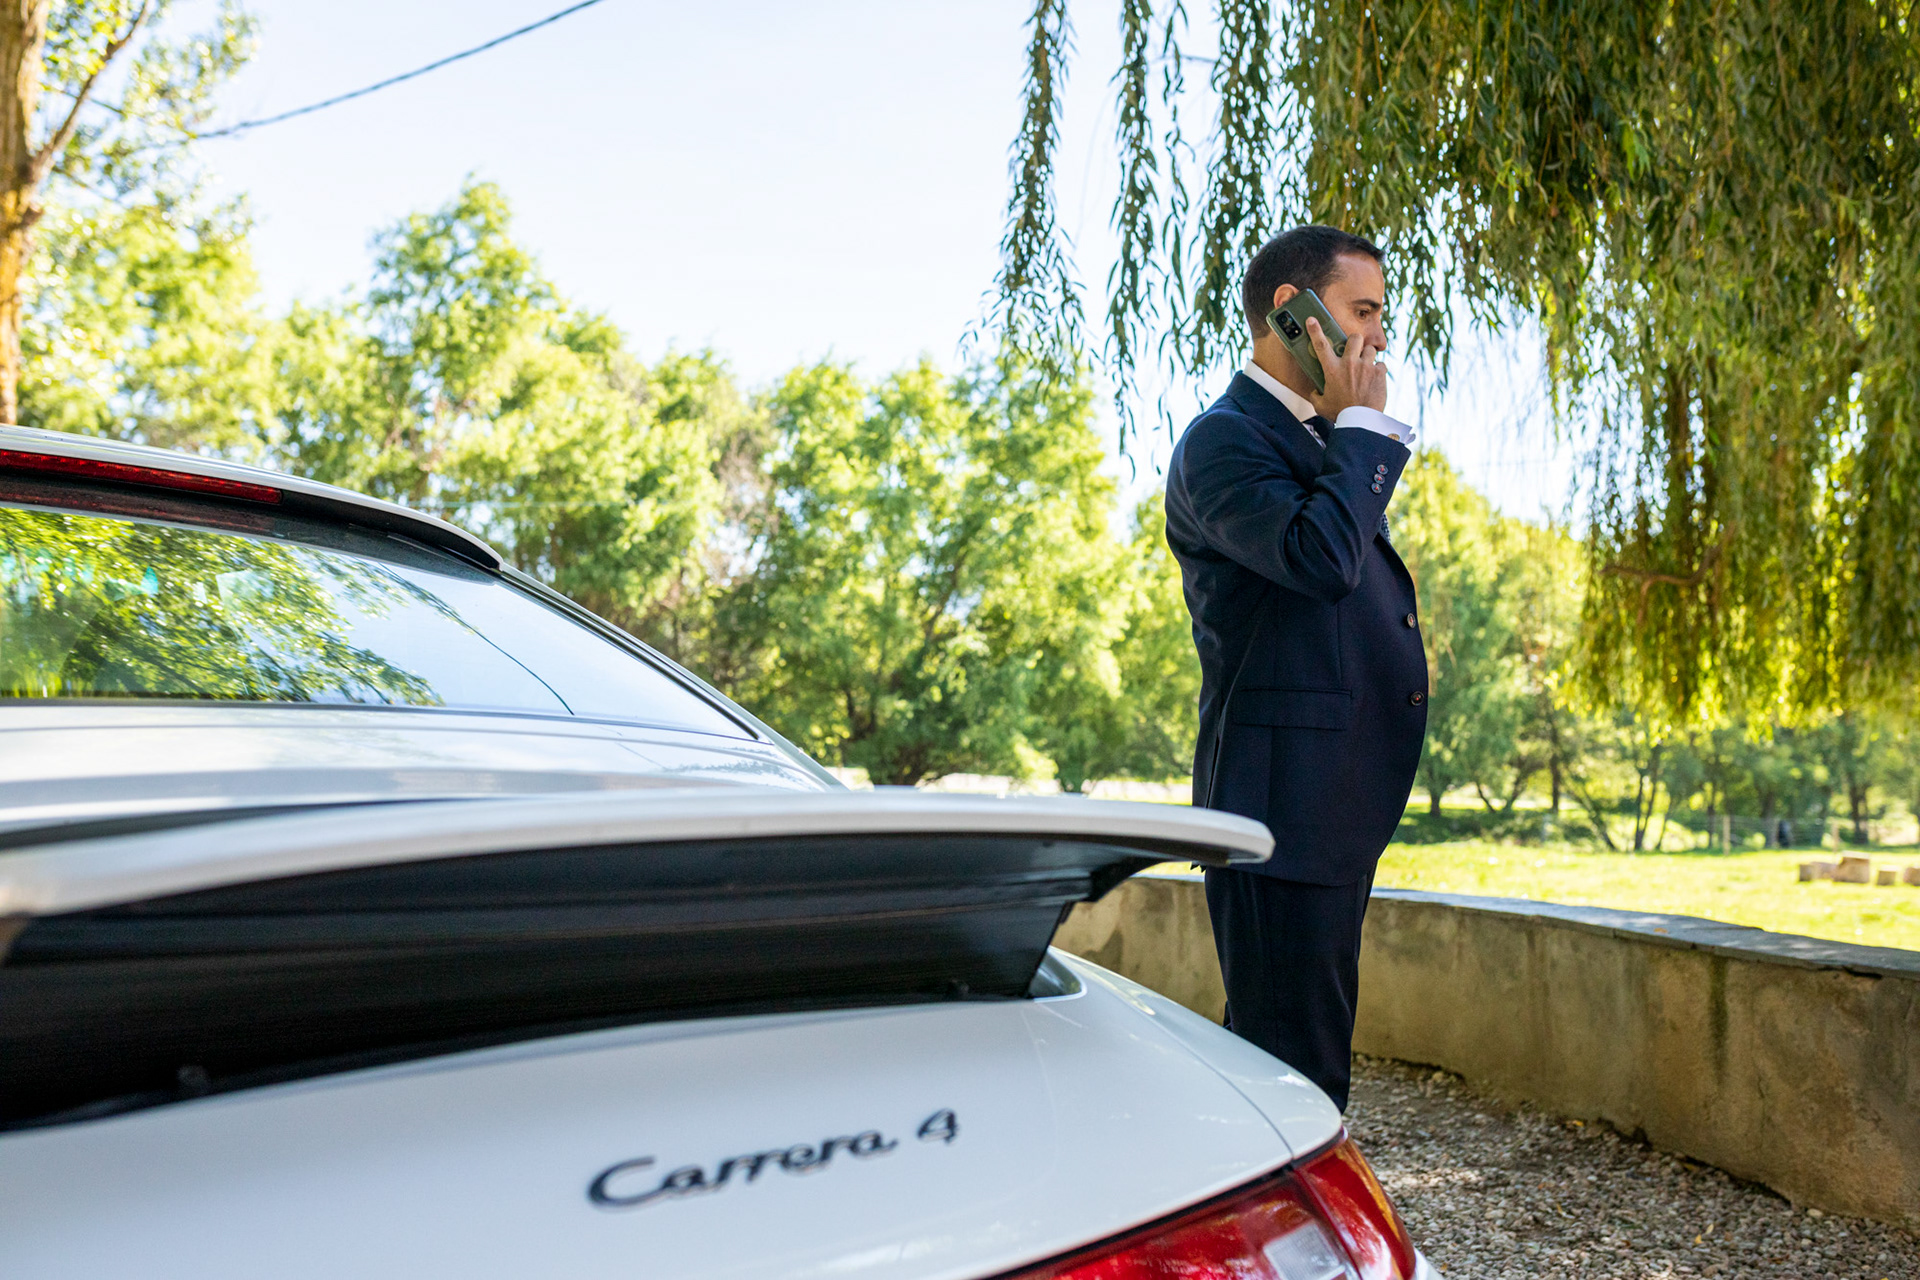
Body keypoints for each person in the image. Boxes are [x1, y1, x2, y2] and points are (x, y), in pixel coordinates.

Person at [1163, 225, 1429, 1111]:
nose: (1378, 338)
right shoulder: (1224, 441)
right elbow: (1321, 558)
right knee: (1292, 1074)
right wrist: (1364, 430)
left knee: (1293, 1063)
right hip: (1280, 810)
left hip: (1325, 805)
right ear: (1294, 311)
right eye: (1363, 311)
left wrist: (1348, 436)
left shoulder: (1314, 443)